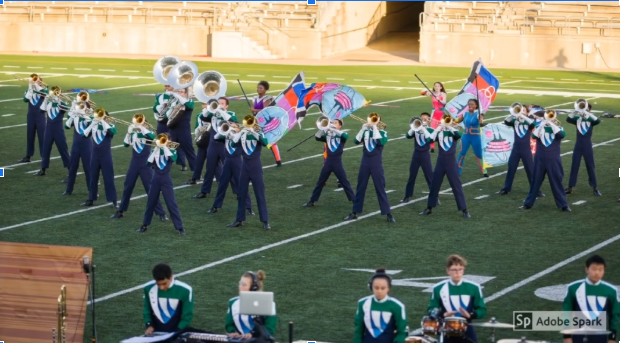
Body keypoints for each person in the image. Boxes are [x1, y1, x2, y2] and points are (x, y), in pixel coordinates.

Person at [110, 114, 168, 222]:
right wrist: (129, 132)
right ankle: (121, 211)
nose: (138, 123)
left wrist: (142, 128)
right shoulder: (134, 133)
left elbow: (152, 137)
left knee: (150, 189)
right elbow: (126, 144)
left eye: (141, 121)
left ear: (145, 123)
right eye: (137, 121)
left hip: (145, 165)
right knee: (128, 186)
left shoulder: (148, 132)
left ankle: (161, 213)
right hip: (134, 163)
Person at [344, 113, 395, 223]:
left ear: (379, 121)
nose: (372, 121)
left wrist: (375, 127)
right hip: (365, 161)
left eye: (375, 120)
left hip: (376, 162)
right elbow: (356, 141)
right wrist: (362, 129)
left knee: (380, 187)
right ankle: (355, 212)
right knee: (361, 187)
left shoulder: (383, 132)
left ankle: (388, 213)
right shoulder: (366, 131)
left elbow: (380, 142)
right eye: (372, 119)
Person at [427, 255, 486, 343]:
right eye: (454, 270)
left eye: (460, 269)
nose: (457, 272)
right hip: (447, 330)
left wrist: (470, 315)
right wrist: (443, 314)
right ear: (448, 271)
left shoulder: (474, 287)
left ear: (463, 270)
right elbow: (431, 310)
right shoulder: (438, 288)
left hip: (467, 328)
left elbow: (482, 310)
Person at [520, 110, 570, 212]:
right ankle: (528, 203)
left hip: (553, 160)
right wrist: (542, 124)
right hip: (540, 159)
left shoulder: (558, 128)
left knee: (556, 182)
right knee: (535, 182)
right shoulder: (540, 129)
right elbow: (534, 136)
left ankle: (563, 205)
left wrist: (551, 123)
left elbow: (562, 135)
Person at [420, 115, 470, 218]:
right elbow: (429, 139)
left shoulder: (453, 132)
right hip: (440, 162)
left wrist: (449, 126)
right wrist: (439, 127)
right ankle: (429, 208)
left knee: (456, 186)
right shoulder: (439, 133)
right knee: (434, 185)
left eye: (448, 120)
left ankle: (464, 210)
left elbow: (459, 135)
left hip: (451, 162)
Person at [227, 116, 271, 230]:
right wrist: (241, 132)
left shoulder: (259, 132)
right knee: (241, 194)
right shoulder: (243, 134)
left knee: (259, 194)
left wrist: (255, 131)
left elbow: (265, 143)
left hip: (256, 167)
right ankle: (239, 219)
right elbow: (233, 144)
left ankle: (265, 220)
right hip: (244, 167)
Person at [563, 255, 618, 343]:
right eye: (594, 269)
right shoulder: (573, 288)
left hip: (600, 336)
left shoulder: (611, 291)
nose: (597, 272)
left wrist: (612, 338)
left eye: (600, 270)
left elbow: (615, 315)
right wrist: (567, 336)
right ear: (587, 269)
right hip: (577, 335)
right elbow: (566, 313)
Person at [138, 133, 185, 235]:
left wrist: (164, 147)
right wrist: (156, 149)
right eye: (162, 139)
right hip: (155, 179)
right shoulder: (155, 150)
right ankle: (145, 225)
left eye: (165, 139)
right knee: (150, 203)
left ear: (169, 141)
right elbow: (148, 163)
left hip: (166, 179)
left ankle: (180, 227)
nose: (163, 141)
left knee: (171, 203)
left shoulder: (172, 150)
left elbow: (172, 159)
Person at [207, 116, 253, 215]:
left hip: (237, 163)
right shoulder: (226, 136)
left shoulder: (242, 136)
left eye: (234, 126)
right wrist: (223, 130)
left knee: (242, 185)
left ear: (238, 128)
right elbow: (215, 137)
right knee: (222, 185)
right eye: (230, 126)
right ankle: (215, 206)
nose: (231, 128)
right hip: (227, 162)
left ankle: (248, 207)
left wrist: (238, 131)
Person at [303, 119, 355, 207]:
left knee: (345, 182)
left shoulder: (341, 135)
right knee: (320, 182)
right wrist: (323, 128)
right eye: (332, 122)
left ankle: (355, 201)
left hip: (337, 163)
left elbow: (345, 136)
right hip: (328, 163)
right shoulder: (328, 136)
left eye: (335, 123)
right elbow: (317, 137)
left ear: (340, 126)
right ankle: (312, 200)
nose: (333, 124)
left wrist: (333, 129)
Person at [499, 104, 544, 197]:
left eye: (524, 110)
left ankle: (536, 190)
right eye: (520, 110)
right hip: (516, 148)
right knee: (511, 167)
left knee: (530, 170)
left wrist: (524, 116)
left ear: (527, 112)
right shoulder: (514, 121)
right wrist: (513, 113)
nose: (521, 111)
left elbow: (533, 125)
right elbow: (506, 121)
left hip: (526, 149)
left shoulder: (530, 121)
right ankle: (506, 188)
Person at [353, 268, 407, 343]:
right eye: (376, 288)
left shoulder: (397, 306)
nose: (379, 291)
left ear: (388, 288)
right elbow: (358, 330)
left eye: (383, 288)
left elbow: (401, 332)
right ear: (371, 287)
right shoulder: (362, 303)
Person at [193, 97, 232, 198]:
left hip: (224, 146)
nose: (220, 105)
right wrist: (208, 109)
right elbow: (203, 117)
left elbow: (231, 120)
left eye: (223, 104)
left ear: (226, 106)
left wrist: (221, 111)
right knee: (210, 168)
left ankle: (237, 191)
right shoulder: (212, 116)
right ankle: (204, 191)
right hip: (212, 146)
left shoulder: (230, 114)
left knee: (230, 168)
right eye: (219, 103)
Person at [81, 109, 118, 208]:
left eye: (102, 116)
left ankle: (114, 200)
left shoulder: (110, 126)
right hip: (95, 155)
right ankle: (91, 198)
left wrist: (102, 121)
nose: (100, 117)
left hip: (106, 156)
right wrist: (93, 124)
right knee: (93, 177)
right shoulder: (94, 126)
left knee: (108, 178)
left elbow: (111, 133)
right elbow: (84, 134)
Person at [143, 263, 194, 334]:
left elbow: (187, 316)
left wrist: (177, 331)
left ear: (171, 277)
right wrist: (149, 325)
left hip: (177, 332)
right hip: (156, 333)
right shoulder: (148, 288)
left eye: (164, 283)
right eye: (158, 284)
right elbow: (147, 311)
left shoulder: (185, 290)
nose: (161, 287)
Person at [565, 102, 602, 196]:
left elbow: (598, 121)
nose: (584, 110)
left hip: (587, 146)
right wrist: (576, 110)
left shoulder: (591, 119)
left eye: (586, 109)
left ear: (589, 110)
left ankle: (595, 188)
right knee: (574, 166)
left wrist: (588, 114)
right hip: (578, 146)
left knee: (590, 166)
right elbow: (568, 119)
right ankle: (570, 187)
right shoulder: (577, 119)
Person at [226, 270, 277, 338]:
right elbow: (229, 325)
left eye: (244, 285)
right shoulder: (233, 302)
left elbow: (269, 329)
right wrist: (233, 332)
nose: (240, 286)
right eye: (240, 283)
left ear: (253, 288)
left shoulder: (269, 303)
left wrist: (252, 334)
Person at [35, 87, 71, 178]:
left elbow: (65, 108)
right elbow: (41, 110)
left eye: (56, 92)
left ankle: (70, 169)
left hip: (58, 130)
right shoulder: (48, 102)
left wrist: (58, 98)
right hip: (49, 129)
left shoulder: (62, 103)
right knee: (45, 149)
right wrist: (46, 98)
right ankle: (43, 169)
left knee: (63, 150)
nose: (54, 94)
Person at [401, 113, 435, 203]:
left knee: (429, 176)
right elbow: (407, 136)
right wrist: (413, 128)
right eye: (422, 118)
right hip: (416, 154)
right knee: (412, 175)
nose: (423, 120)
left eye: (425, 118)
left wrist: (423, 128)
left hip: (425, 155)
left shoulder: (431, 130)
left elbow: (431, 139)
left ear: (428, 120)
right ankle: (407, 195)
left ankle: (434, 196)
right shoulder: (415, 129)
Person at [184, 102, 221, 186]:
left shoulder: (214, 115)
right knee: (199, 159)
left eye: (206, 104)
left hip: (211, 139)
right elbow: (197, 126)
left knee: (214, 161)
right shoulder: (199, 115)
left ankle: (220, 179)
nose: (204, 105)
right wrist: (198, 134)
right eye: (203, 104)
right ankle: (195, 177)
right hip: (203, 139)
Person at [63, 101, 92, 196]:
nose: (80, 108)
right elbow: (66, 126)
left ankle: (91, 191)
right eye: (80, 107)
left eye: (82, 107)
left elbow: (91, 127)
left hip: (86, 146)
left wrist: (85, 115)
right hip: (76, 145)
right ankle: (69, 190)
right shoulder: (76, 117)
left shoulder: (91, 118)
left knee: (88, 169)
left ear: (87, 109)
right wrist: (73, 115)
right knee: (72, 168)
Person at [250, 81, 281, 167]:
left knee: (271, 141)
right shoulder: (255, 98)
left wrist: (254, 110)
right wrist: (254, 113)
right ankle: (253, 158)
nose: (258, 89)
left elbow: (264, 109)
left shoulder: (268, 98)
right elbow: (256, 112)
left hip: (266, 122)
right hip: (257, 122)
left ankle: (278, 160)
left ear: (265, 90)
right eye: (258, 87)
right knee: (254, 139)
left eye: (261, 88)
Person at [18, 74, 47, 163]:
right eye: (34, 80)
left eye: (37, 80)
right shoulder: (29, 90)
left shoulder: (43, 90)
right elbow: (25, 100)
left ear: (40, 82)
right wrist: (31, 86)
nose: (35, 82)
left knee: (42, 137)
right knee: (30, 136)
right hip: (30, 116)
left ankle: (44, 157)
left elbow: (44, 93)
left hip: (40, 117)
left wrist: (36, 85)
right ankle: (28, 156)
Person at [167, 87, 196, 172]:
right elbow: (168, 115)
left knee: (189, 150)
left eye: (182, 92)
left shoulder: (189, 101)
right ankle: (164, 169)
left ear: (186, 93)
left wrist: (177, 96)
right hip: (173, 129)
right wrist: (171, 107)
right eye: (179, 92)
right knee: (169, 148)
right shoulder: (175, 101)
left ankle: (196, 173)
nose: (180, 93)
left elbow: (189, 106)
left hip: (184, 130)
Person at [456, 99, 487, 177]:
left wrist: (481, 120)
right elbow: (458, 120)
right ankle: (457, 171)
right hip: (465, 137)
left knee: (479, 154)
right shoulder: (465, 113)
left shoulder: (478, 114)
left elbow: (481, 119)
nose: (470, 106)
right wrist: (450, 120)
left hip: (475, 137)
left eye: (472, 104)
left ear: (476, 105)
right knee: (461, 154)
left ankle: (484, 170)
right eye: (469, 104)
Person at [421, 82, 447, 153]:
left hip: (441, 113)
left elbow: (444, 103)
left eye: (438, 86)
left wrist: (439, 99)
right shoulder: (432, 94)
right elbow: (422, 93)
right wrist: (425, 92)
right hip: (434, 113)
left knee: (442, 129)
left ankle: (442, 145)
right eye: (435, 86)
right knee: (433, 129)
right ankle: (432, 147)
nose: (437, 87)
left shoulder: (443, 94)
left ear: (441, 87)